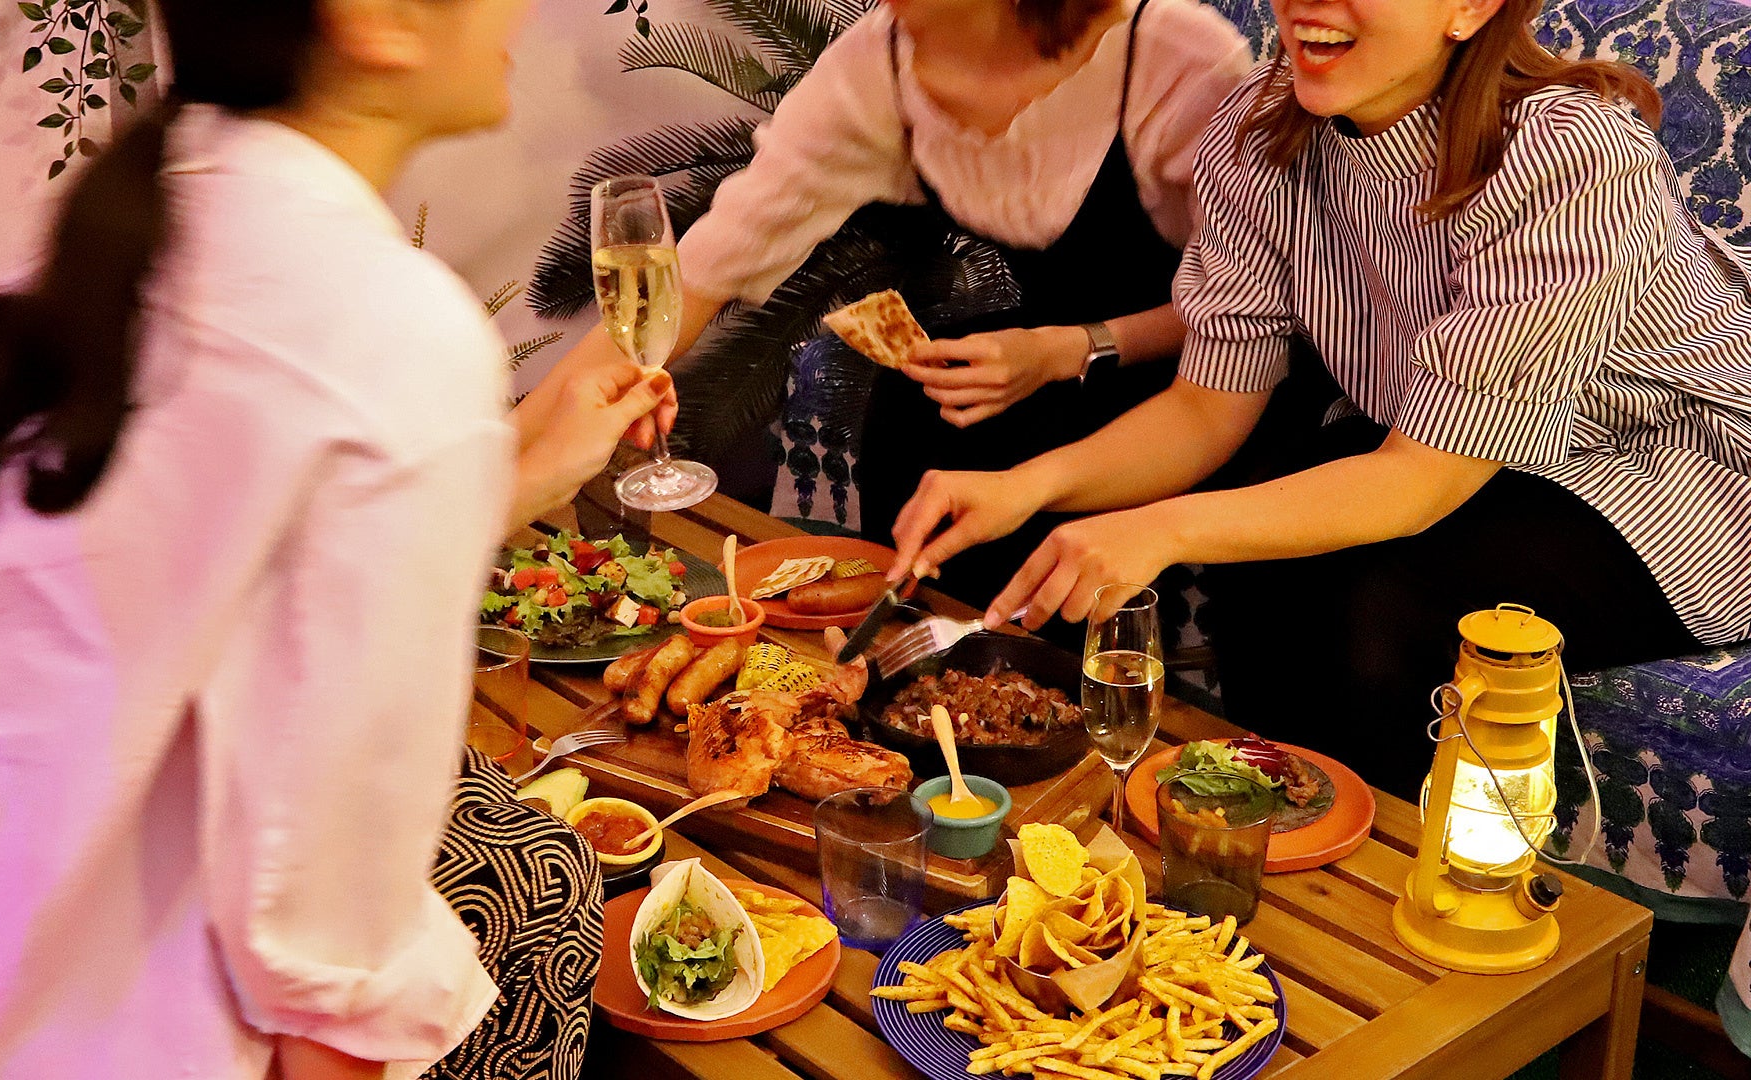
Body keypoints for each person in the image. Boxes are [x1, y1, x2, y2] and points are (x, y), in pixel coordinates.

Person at [0, 1, 672, 1078]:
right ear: (378, 18)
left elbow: (195, 584)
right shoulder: (391, 329)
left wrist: (517, 466)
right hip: (73, 1030)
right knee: (536, 886)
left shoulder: (126, 240)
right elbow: (328, 977)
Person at [888, 0, 1751, 795]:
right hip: (1434, 432)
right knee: (1264, 568)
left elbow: (1421, 482)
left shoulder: (1570, 158)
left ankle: (1367, 906)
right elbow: (1207, 407)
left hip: (1666, 467)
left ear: (1471, 8)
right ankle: (1255, 847)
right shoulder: (1263, 128)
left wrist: (1164, 525)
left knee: (1379, 609)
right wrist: (1026, 487)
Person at [556, 0, 1252, 605]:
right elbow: (700, 273)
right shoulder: (874, 62)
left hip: (1158, 422)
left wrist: (1066, 348)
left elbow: (1249, 317)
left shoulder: (1171, 60)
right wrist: (514, 465)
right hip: (967, 425)